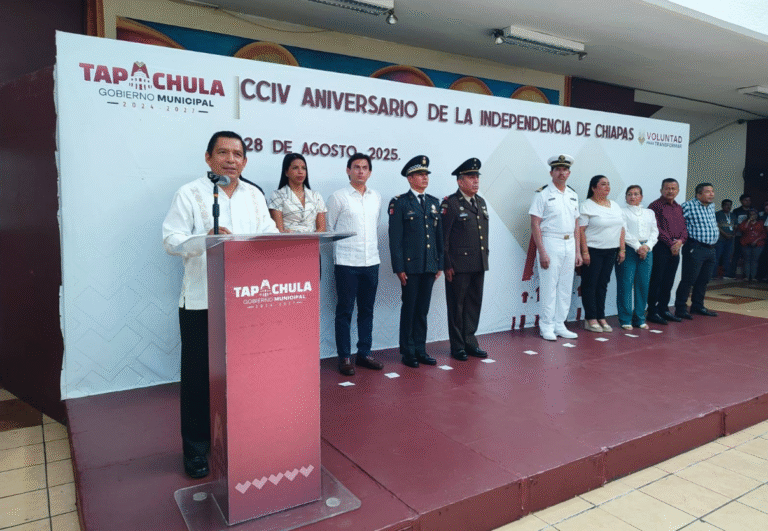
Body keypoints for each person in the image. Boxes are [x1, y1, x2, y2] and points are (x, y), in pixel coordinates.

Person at [162, 131, 279, 479]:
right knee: (199, 379)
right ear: (208, 157)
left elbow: (270, 233)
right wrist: (206, 241)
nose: (231, 159)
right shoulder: (190, 193)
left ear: (245, 161)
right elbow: (171, 240)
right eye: (223, 152)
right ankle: (197, 451)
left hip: (246, 300)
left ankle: (243, 440)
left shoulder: (255, 195)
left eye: (238, 154)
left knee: (244, 376)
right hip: (202, 301)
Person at [326, 153, 383, 376]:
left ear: (370, 172)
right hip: (347, 263)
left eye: (365, 167)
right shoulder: (338, 197)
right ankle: (344, 357)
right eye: (356, 167)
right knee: (345, 311)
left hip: (371, 261)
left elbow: (375, 224)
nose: (361, 171)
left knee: (367, 311)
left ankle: (364, 353)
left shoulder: (376, 196)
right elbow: (330, 229)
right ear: (348, 170)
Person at [388, 156, 443, 368]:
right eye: (420, 174)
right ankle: (408, 351)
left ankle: (421, 349)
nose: (425, 178)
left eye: (426, 174)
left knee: (422, 309)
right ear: (410, 178)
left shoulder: (433, 202)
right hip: (410, 267)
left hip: (429, 265)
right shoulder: (400, 202)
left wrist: (439, 263)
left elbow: (438, 237)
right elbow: (396, 239)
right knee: (409, 308)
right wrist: (399, 267)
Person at [529, 154, 583, 341]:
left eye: (565, 169)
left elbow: (576, 225)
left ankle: (560, 324)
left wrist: (578, 251)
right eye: (558, 169)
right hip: (550, 241)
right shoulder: (543, 194)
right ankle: (546, 325)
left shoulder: (573, 195)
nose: (562, 173)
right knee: (549, 286)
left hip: (569, 242)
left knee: (566, 286)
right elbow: (535, 224)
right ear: (551, 172)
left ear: (569, 173)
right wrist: (542, 251)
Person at [441, 158, 490, 360]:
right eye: (471, 177)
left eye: (477, 177)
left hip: (478, 263)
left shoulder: (480, 202)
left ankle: (470, 342)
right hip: (458, 266)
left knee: (473, 304)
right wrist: (447, 264)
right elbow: (443, 238)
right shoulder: (451, 203)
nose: (476, 181)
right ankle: (458, 346)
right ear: (460, 181)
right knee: (457, 307)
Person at [578, 175, 626, 332]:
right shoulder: (586, 205)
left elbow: (621, 228)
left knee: (603, 284)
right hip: (593, 251)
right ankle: (590, 319)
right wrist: (584, 252)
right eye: (603, 184)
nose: (607, 187)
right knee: (590, 285)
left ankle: (601, 317)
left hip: (611, 251)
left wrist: (622, 249)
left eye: (608, 184)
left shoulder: (615, 205)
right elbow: (581, 230)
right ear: (593, 187)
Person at [674, 182, 719, 319]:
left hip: (711, 249)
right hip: (695, 247)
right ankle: (681, 308)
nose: (711, 194)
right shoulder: (688, 206)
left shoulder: (711, 206)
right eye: (707, 191)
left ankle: (697, 305)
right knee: (689, 279)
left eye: (712, 191)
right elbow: (679, 224)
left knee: (704, 280)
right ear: (698, 194)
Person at [616, 185, 658, 329]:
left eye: (636, 194)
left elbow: (654, 231)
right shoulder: (622, 212)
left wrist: (647, 246)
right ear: (626, 197)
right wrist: (638, 246)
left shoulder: (649, 213)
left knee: (643, 284)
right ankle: (625, 319)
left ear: (641, 196)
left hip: (647, 250)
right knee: (625, 284)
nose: (632, 197)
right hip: (628, 249)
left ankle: (640, 318)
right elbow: (624, 231)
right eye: (629, 194)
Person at [646, 179, 687, 325]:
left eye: (673, 188)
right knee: (656, 280)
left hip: (676, 247)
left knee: (669, 280)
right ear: (661, 190)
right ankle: (652, 311)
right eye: (667, 188)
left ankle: (664, 309)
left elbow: (683, 227)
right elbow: (656, 228)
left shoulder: (678, 207)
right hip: (661, 247)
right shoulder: (654, 206)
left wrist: (681, 241)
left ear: (678, 190)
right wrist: (671, 243)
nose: (670, 191)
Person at [268, 153, 326, 233]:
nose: (300, 172)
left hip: (313, 242)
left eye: (303, 168)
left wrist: (310, 241)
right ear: (286, 172)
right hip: (288, 242)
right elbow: (279, 230)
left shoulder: (316, 196)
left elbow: (322, 228)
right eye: (295, 168)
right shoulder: (277, 195)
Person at [738, 209, 766, 282]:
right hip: (745, 244)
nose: (752, 216)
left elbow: (764, 234)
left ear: (757, 215)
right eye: (751, 214)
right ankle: (747, 276)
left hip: (758, 244)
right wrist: (748, 221)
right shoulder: (745, 222)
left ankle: (753, 277)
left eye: (754, 214)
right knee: (747, 260)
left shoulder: (761, 223)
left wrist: (756, 240)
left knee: (755, 261)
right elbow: (742, 229)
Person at [729, 193, 751, 278]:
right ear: (742, 201)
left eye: (749, 200)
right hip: (738, 235)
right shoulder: (737, 211)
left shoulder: (752, 210)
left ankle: (747, 274)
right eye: (746, 200)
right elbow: (734, 222)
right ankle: (731, 274)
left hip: (749, 236)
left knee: (747, 256)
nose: (748, 202)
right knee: (736, 254)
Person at [714, 199, 736, 280]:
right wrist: (725, 234)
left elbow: (735, 226)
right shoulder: (718, 214)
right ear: (722, 205)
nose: (728, 206)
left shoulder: (733, 215)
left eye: (730, 205)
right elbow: (717, 226)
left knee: (728, 257)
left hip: (730, 240)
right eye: (726, 205)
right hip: (720, 239)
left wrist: (733, 234)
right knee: (717, 256)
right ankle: (714, 275)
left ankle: (726, 274)